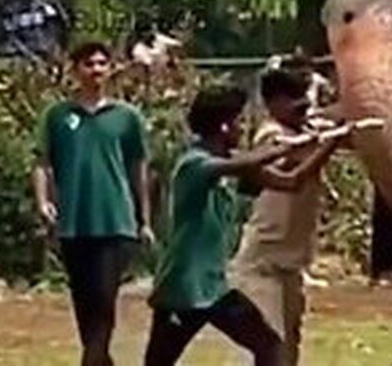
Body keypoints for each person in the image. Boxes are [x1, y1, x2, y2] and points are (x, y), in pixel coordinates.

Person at [143, 84, 355, 366]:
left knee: (269, 347)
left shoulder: (229, 162)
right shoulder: (194, 165)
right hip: (182, 289)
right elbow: (249, 162)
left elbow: (291, 181)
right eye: (237, 122)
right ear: (222, 126)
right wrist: (291, 143)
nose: (241, 129)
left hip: (214, 289)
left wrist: (330, 142)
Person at [32, 41, 154, 366]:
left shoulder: (126, 117)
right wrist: (43, 201)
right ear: (75, 70)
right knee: (85, 304)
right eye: (89, 64)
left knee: (103, 299)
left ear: (111, 69)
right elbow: (42, 162)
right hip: (74, 223)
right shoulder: (58, 116)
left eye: (102, 63)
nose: (96, 70)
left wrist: (145, 219)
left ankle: (91, 360)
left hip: (115, 223)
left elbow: (139, 168)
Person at [232, 67, 340, 366]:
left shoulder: (304, 132)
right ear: (273, 104)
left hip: (291, 265)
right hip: (262, 264)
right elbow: (292, 171)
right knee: (270, 349)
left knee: (290, 349)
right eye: (297, 106)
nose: (304, 112)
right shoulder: (272, 135)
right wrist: (329, 141)